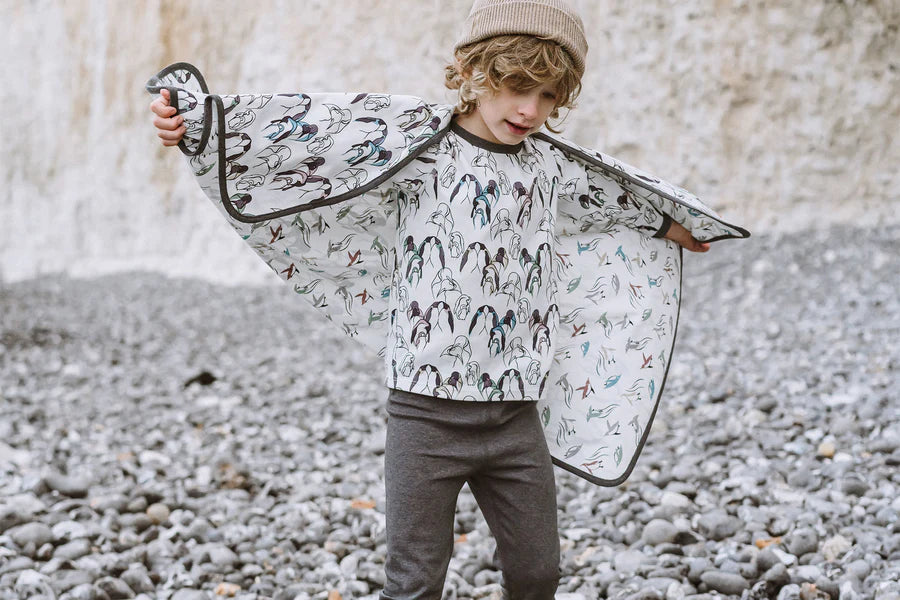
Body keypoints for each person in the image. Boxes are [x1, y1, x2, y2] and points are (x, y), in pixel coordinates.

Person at [148, 1, 747, 598]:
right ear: (473, 73)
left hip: (514, 414)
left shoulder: (550, 166)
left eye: (547, 97)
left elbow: (608, 199)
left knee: (538, 573)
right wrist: (195, 125)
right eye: (517, 87)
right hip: (425, 417)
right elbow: (311, 135)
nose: (530, 110)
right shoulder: (420, 145)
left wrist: (672, 227)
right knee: (414, 581)